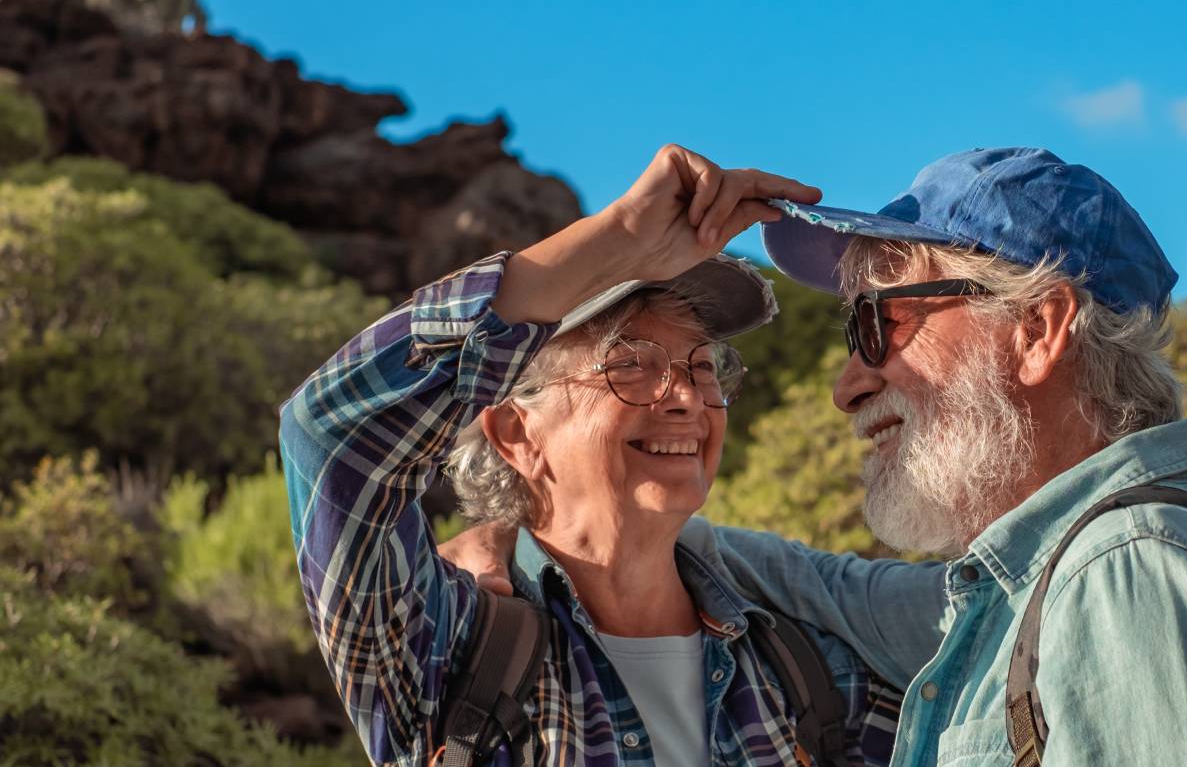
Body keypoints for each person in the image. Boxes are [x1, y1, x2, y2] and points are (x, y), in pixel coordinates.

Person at [443, 146, 1187, 765]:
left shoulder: (1131, 582)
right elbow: (821, 586)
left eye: (878, 322)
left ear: (1036, 331)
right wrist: (551, 528)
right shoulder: (1034, 592)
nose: (848, 383)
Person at [279, 144, 906, 767]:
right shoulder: (448, 645)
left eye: (703, 366)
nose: (687, 396)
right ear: (516, 435)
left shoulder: (810, 673)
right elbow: (330, 438)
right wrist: (620, 238)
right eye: (631, 365)